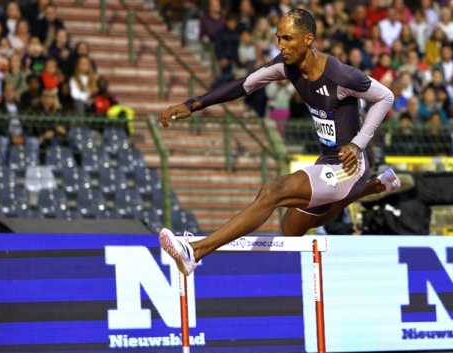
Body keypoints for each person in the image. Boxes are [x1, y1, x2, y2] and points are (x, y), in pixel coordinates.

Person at [158, 8, 400, 274]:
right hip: (327, 161)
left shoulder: (340, 76)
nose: (281, 46)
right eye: (278, 38)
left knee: (274, 190)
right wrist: (192, 105)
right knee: (291, 229)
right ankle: (374, 187)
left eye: (288, 39)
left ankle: (195, 251)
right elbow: (244, 85)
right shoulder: (287, 66)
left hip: (350, 166)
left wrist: (358, 144)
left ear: (308, 39)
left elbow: (386, 96)